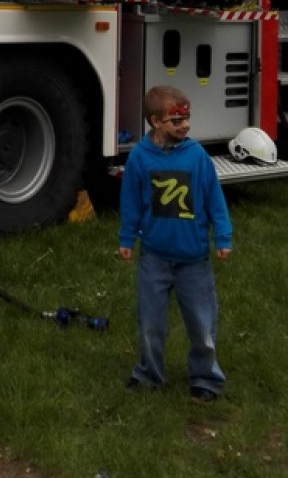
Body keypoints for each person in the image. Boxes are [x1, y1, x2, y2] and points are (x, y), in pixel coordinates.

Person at [118, 85, 232, 401]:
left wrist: (222, 236)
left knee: (202, 326)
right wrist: (126, 238)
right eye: (176, 120)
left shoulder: (197, 157)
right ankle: (149, 375)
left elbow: (215, 201)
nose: (184, 125)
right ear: (155, 122)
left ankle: (206, 379)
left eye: (187, 118)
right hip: (153, 259)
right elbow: (130, 203)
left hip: (194, 261)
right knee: (150, 325)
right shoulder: (140, 158)